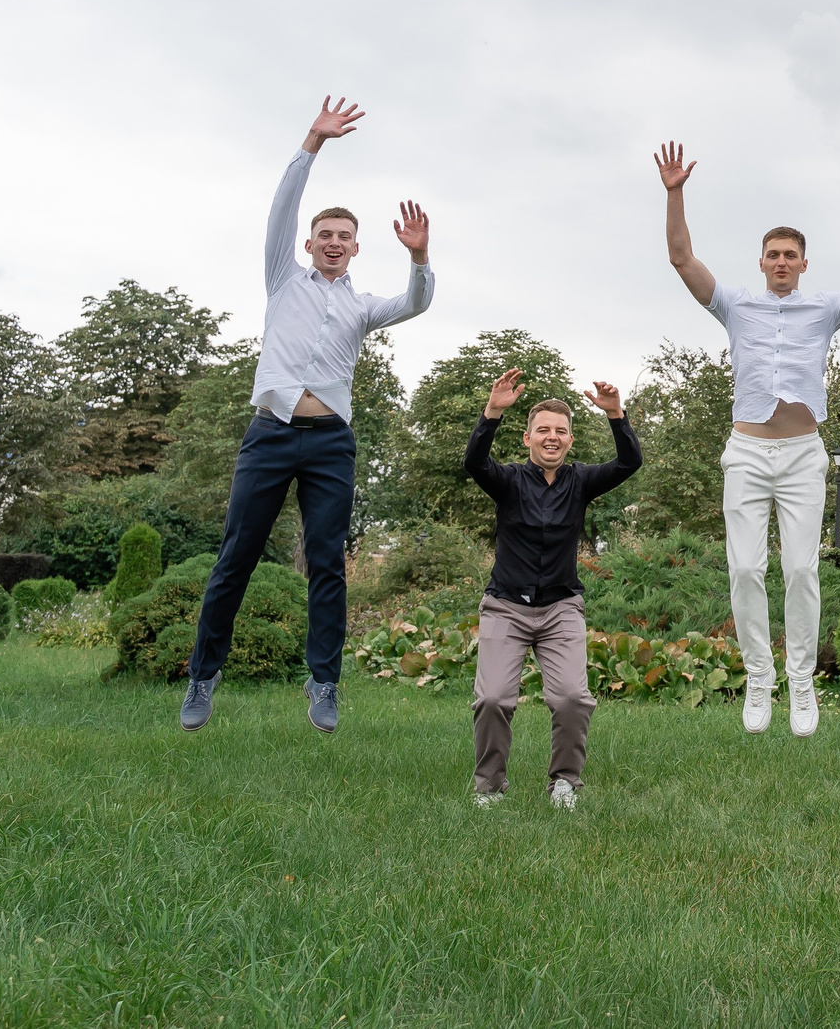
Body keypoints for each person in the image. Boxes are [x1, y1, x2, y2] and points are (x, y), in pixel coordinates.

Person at [181, 99, 433, 735]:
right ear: (310, 244)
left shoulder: (363, 307)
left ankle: (323, 683)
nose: (333, 243)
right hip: (269, 436)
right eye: (325, 236)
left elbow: (417, 302)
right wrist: (311, 144)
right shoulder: (282, 279)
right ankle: (203, 675)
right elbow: (281, 208)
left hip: (330, 445)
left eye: (344, 238)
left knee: (327, 562)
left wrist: (421, 258)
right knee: (236, 556)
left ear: (354, 248)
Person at [656, 140, 840, 739]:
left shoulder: (823, 309)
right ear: (761, 261)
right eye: (771, 254)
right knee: (745, 569)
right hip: (746, 452)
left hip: (801, 456)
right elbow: (681, 257)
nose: (779, 262)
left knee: (800, 569)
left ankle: (801, 682)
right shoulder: (735, 305)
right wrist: (675, 193)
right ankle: (759, 679)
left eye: (789, 255)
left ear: (803, 264)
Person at [464, 368, 641, 810]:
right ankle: (489, 786)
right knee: (492, 698)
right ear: (527, 439)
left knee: (571, 699)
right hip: (505, 607)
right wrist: (491, 413)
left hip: (561, 609)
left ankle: (564, 782)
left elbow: (628, 463)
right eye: (543, 430)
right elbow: (474, 463)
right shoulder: (507, 481)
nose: (551, 437)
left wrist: (616, 415)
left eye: (560, 431)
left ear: (569, 440)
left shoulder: (580, 481)